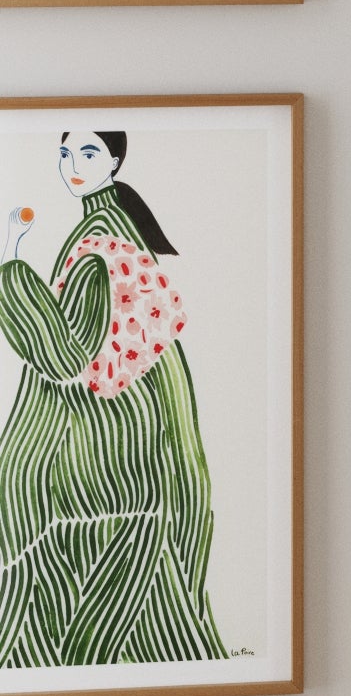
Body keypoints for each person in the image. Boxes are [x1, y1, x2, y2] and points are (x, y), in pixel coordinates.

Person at [0, 130, 226, 667]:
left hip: (103, 452)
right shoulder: (116, 229)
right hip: (140, 443)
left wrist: (10, 262)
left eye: (88, 153)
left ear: (115, 160)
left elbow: (64, 357)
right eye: (63, 154)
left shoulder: (98, 241)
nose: (71, 165)